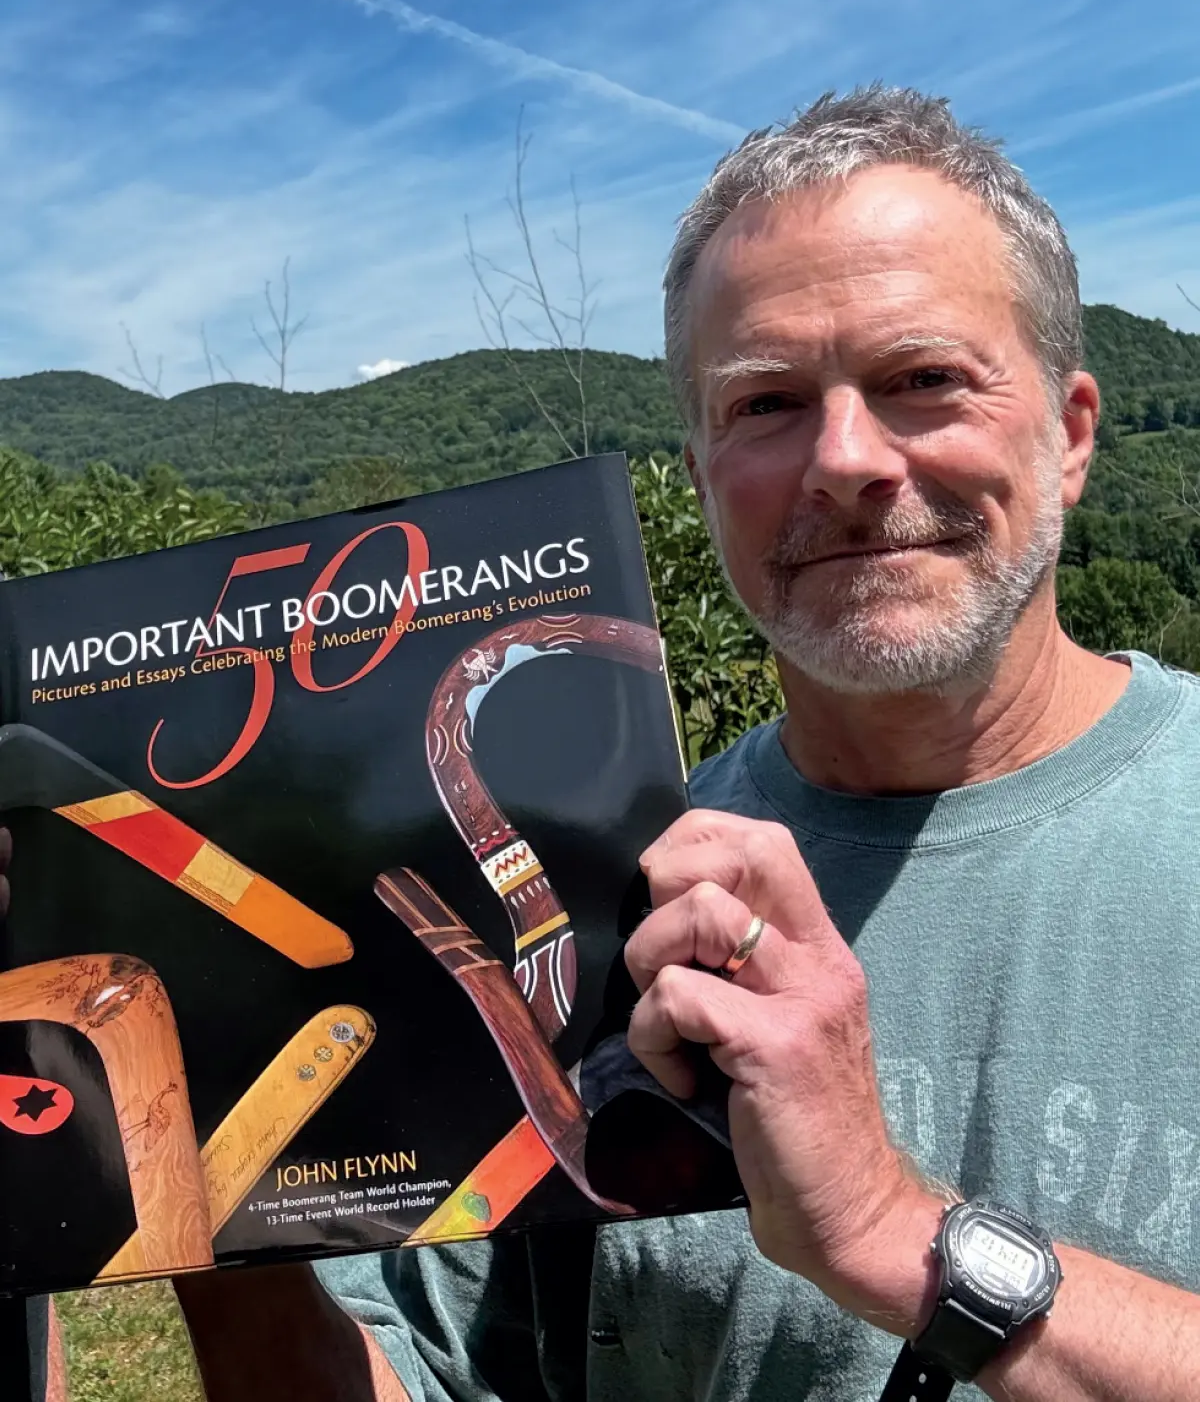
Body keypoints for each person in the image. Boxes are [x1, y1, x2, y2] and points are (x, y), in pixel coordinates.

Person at [106, 83, 1200, 1398]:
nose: (845, 459)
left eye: (923, 380)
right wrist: (204, 1194)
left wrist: (889, 1230)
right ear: (699, 477)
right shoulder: (606, 905)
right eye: (766, 403)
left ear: (1071, 435)